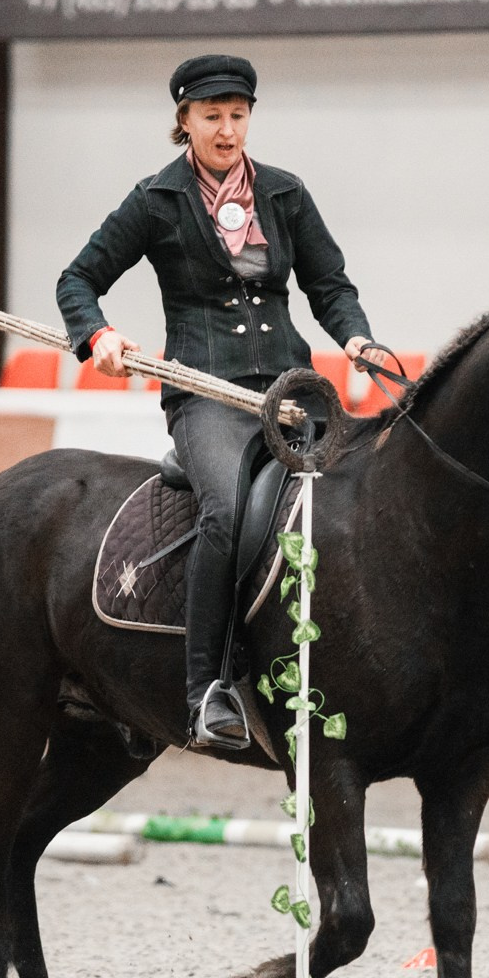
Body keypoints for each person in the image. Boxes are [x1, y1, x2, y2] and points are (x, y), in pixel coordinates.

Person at [57, 54, 383, 750]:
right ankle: (207, 686)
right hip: (207, 398)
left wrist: (355, 338)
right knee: (227, 512)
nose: (228, 130)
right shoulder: (155, 200)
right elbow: (77, 280)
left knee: (376, 488)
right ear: (184, 121)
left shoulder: (286, 193)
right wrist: (99, 336)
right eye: (212, 116)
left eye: (238, 115)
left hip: (293, 393)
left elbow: (331, 286)